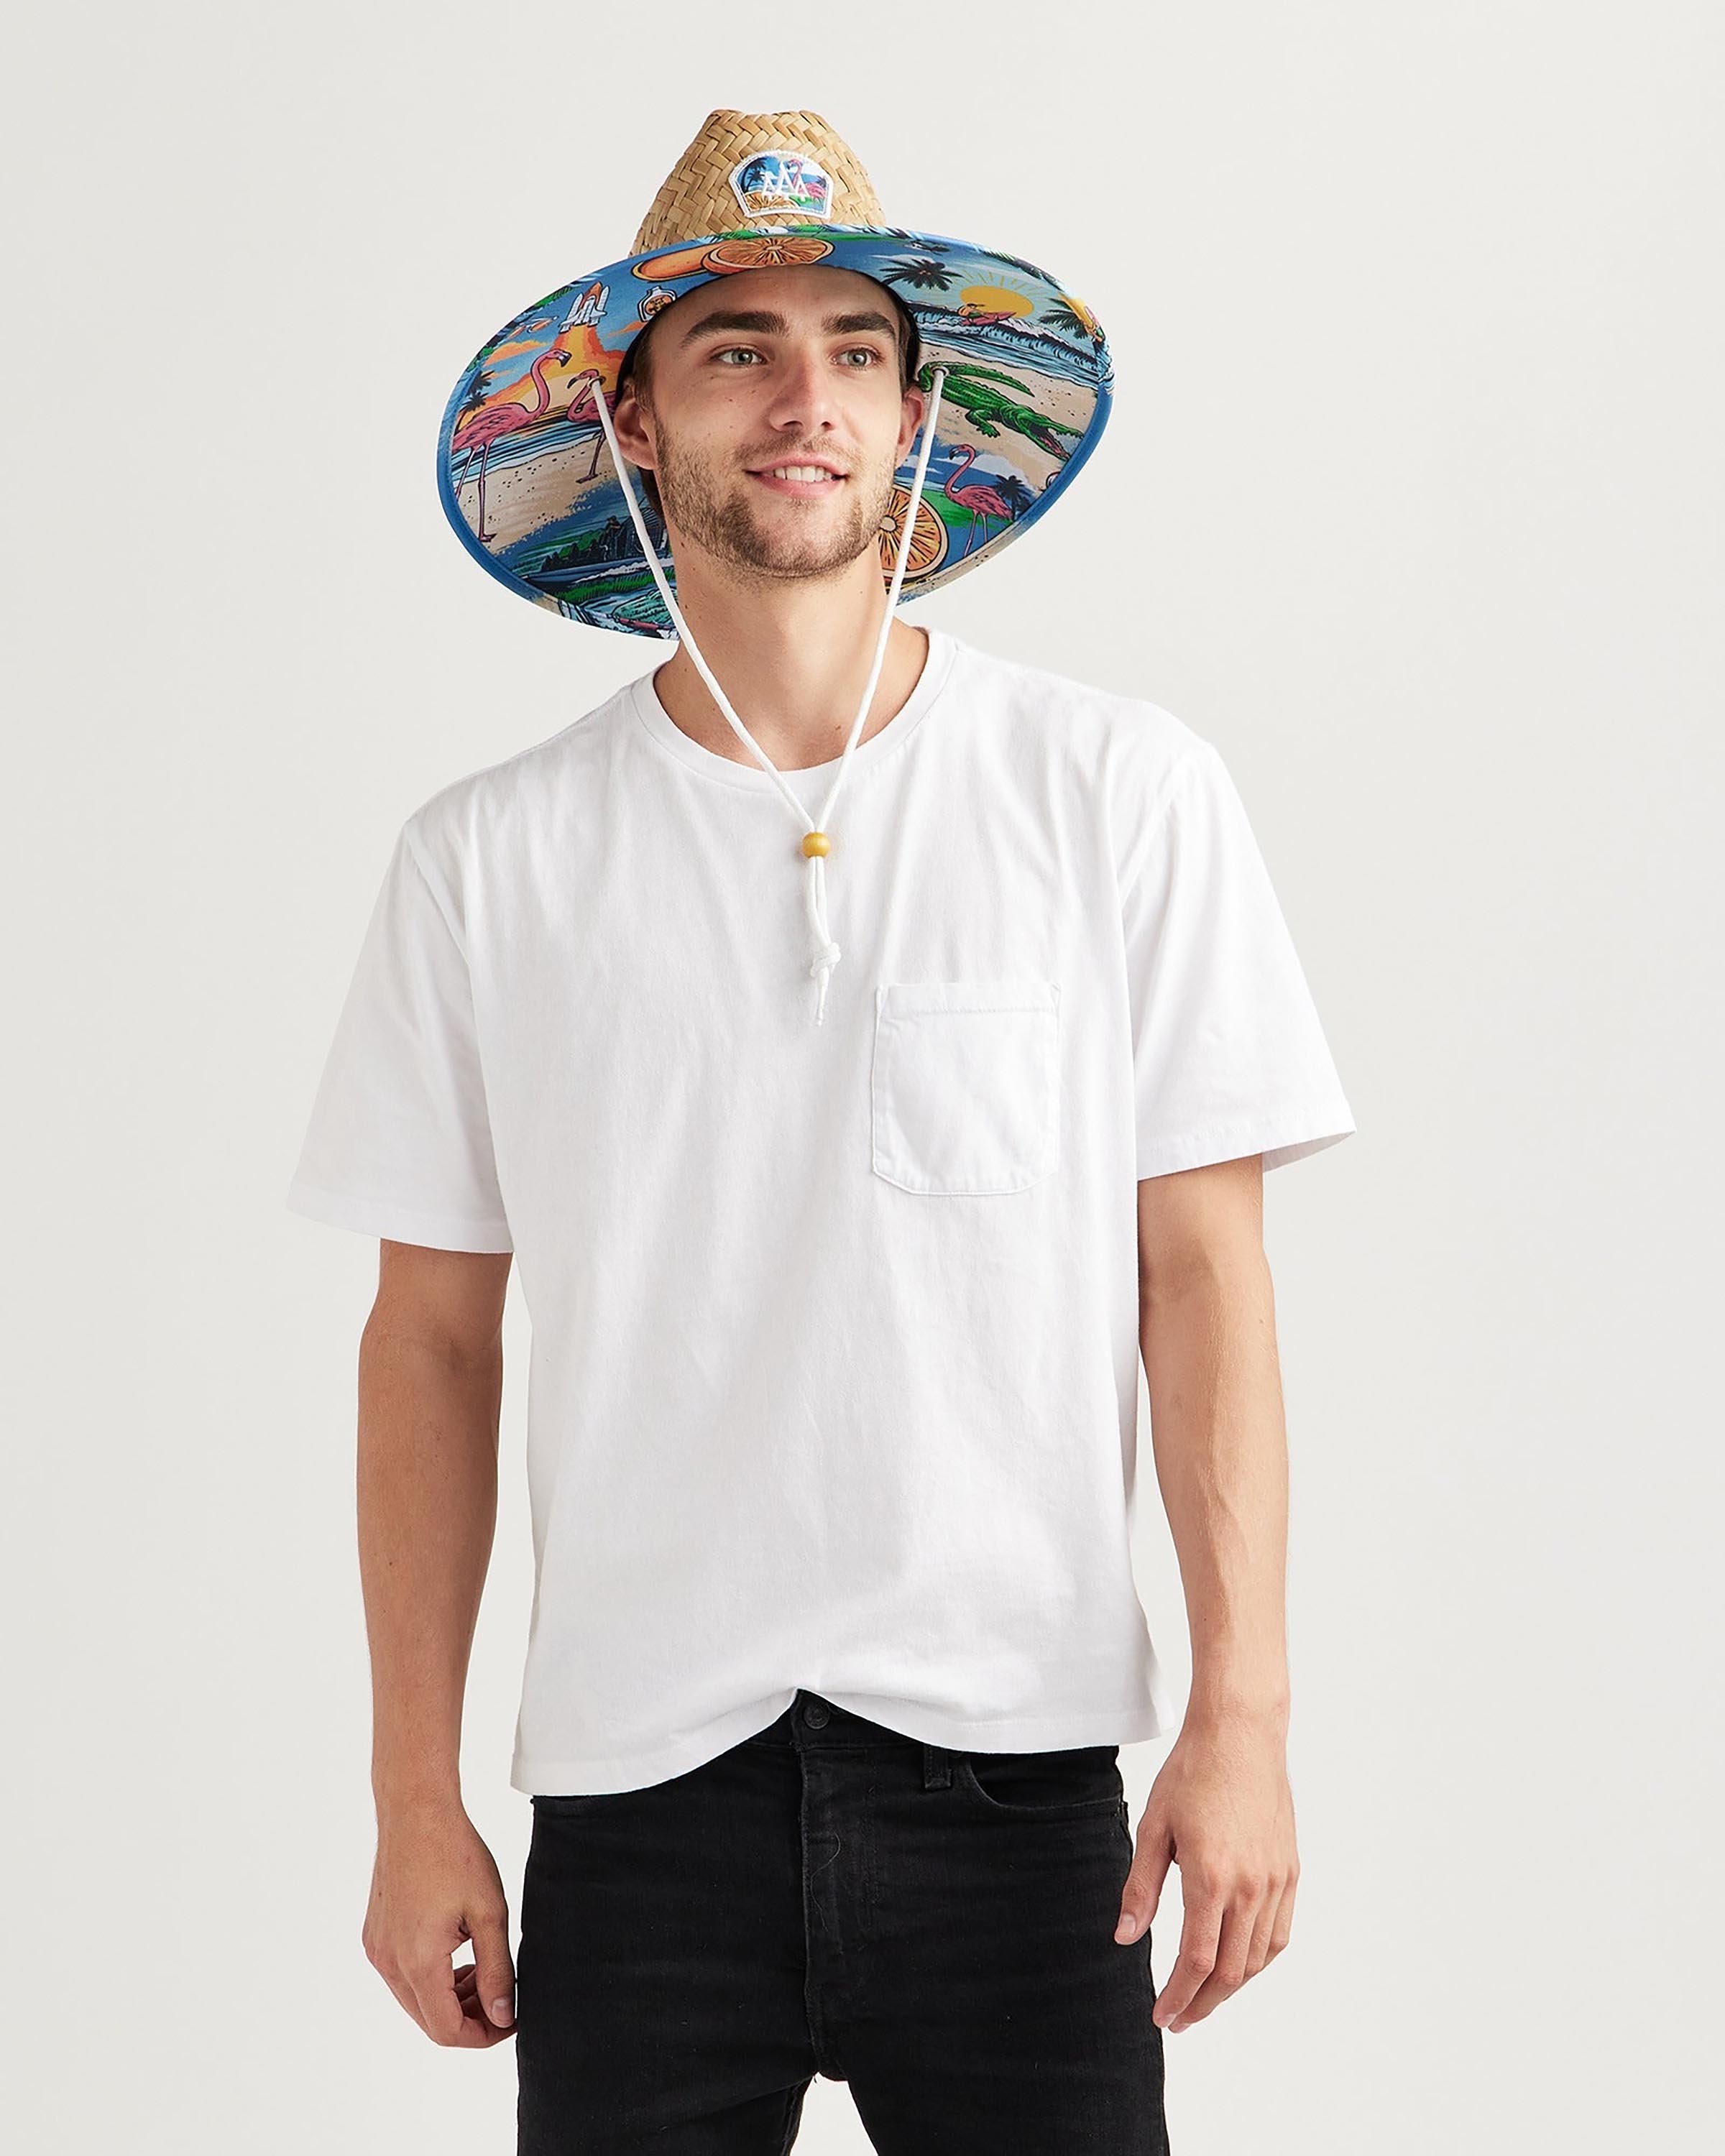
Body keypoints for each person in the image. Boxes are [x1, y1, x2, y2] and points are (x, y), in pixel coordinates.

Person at [286, 109, 1356, 2154]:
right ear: (635, 422)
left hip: (1026, 1782)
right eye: (738, 350)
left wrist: (1247, 1717)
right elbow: (428, 1338)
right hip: (637, 1791)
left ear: (916, 417)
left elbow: (1203, 1277)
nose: (806, 400)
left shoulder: (1117, 791)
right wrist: (415, 1795)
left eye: (856, 349)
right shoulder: (490, 861)